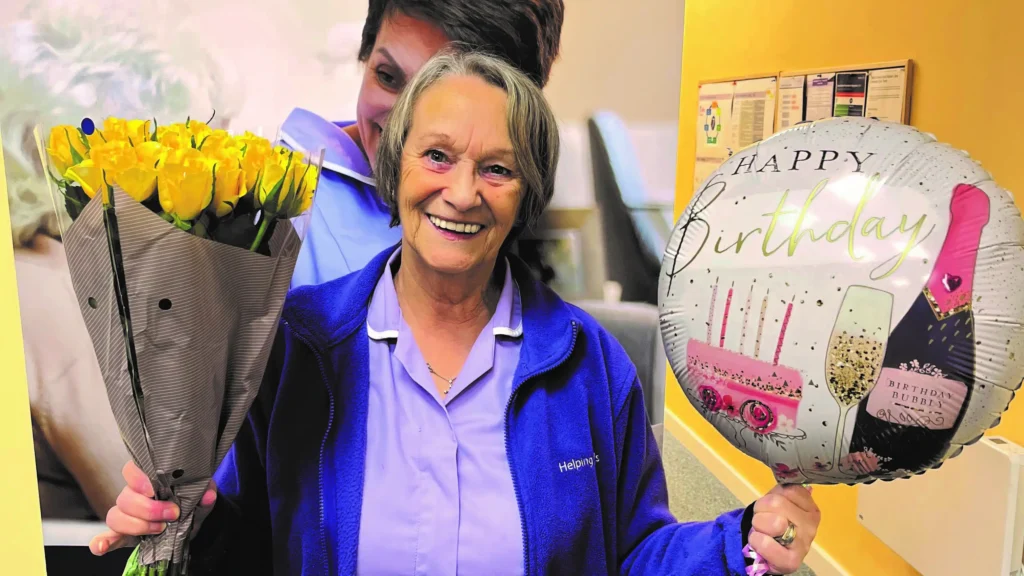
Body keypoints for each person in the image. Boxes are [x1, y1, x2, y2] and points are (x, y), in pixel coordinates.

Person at [91, 49, 820, 575]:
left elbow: (634, 553)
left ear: (526, 196)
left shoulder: (589, 363)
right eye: (437, 156)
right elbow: (245, 543)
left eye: (497, 169)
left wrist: (743, 541)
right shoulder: (291, 347)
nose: (463, 192)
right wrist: (178, 516)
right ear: (395, 166)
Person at [284, 0, 564, 289]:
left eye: (444, 96)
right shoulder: (269, 192)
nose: (401, 122)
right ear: (365, 56)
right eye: (388, 77)